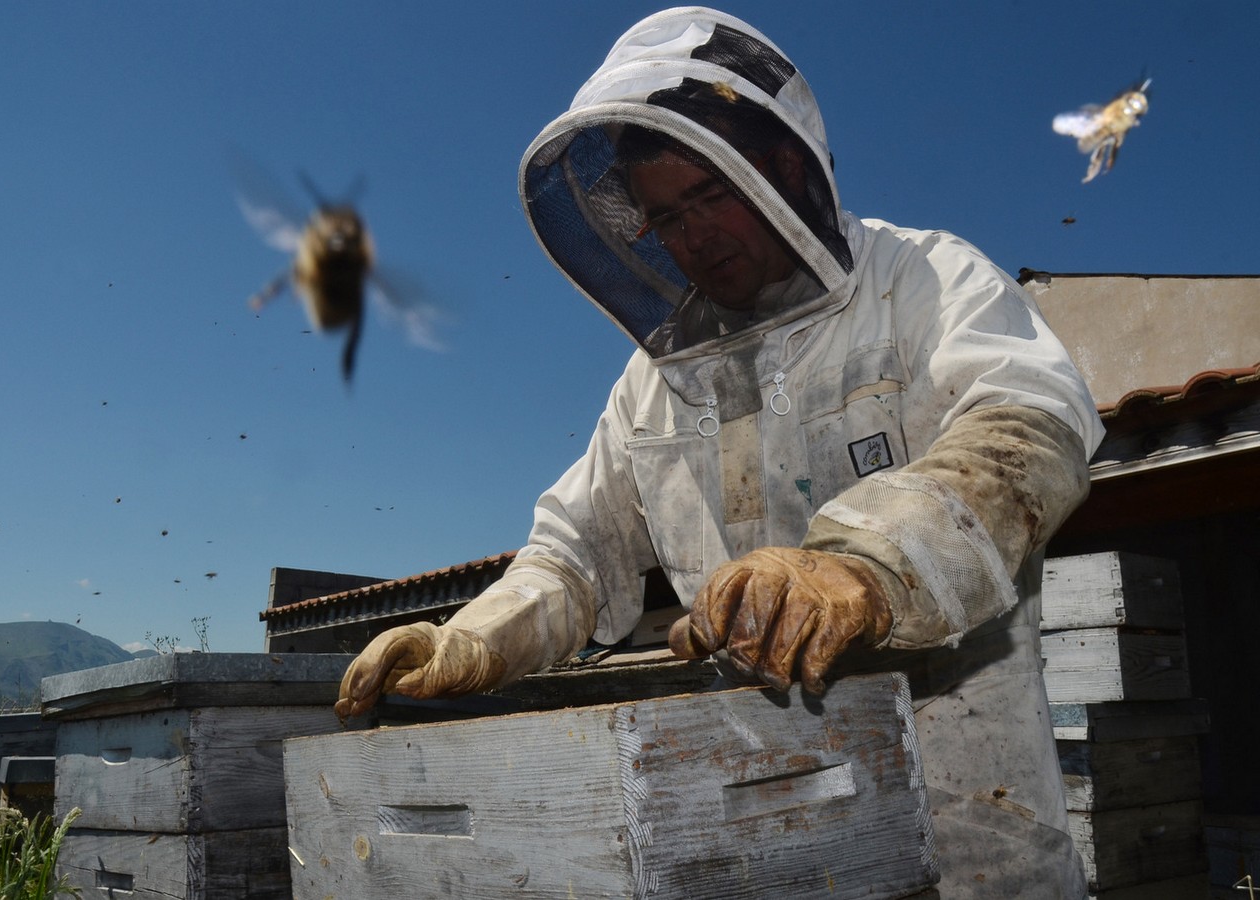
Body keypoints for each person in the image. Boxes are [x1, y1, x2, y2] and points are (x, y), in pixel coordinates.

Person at [336, 8, 1101, 897]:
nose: (692, 236)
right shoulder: (655, 381)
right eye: (665, 217)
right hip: (769, 830)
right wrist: (471, 642)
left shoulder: (922, 282)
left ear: (779, 169)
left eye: (709, 198)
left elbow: (1030, 426)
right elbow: (574, 555)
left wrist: (865, 567)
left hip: (971, 822)